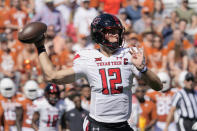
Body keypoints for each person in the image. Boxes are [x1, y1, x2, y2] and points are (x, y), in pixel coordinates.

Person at [32, 13, 163, 131]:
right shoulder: (88, 58)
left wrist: (143, 69)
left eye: (117, 31)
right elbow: (52, 76)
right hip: (98, 125)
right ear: (99, 34)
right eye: (110, 31)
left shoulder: (129, 54)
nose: (116, 34)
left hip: (122, 125)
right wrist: (40, 46)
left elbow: (158, 86)